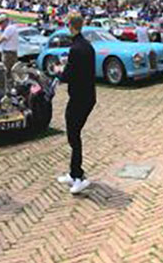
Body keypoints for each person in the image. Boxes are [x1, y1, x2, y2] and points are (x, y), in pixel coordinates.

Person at [57, 12, 95, 195]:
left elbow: (69, 74)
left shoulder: (76, 48)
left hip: (80, 97)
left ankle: (79, 177)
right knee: (74, 134)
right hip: (85, 96)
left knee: (74, 135)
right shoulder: (86, 45)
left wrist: (59, 72)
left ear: (71, 25)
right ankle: (74, 173)